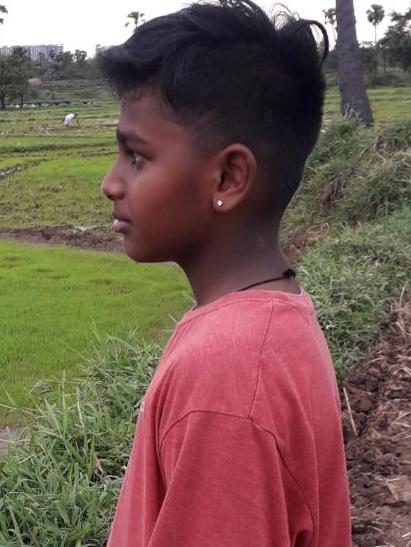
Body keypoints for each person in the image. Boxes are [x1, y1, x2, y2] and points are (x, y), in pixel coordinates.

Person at [99, 1, 351, 545]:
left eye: (136, 156)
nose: (111, 183)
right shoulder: (273, 320)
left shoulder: (226, 377)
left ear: (229, 178)